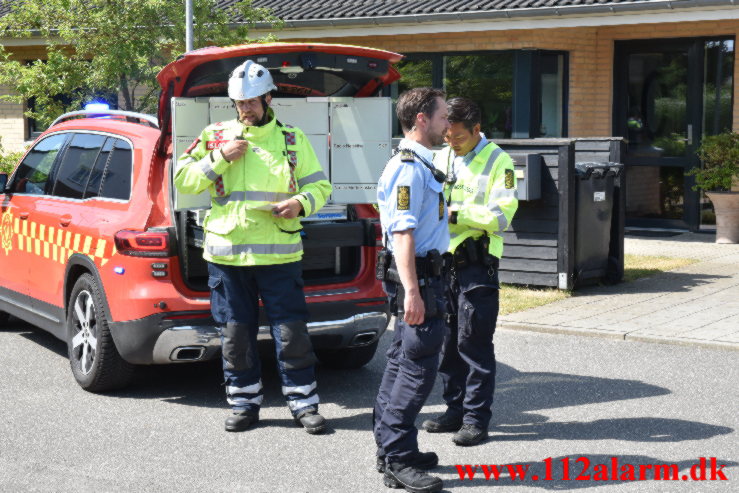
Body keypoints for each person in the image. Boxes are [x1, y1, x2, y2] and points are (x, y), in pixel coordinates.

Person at [174, 60, 332, 434]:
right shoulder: (214, 136)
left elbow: (320, 187)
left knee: (292, 333)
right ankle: (244, 404)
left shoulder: (291, 138)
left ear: (268, 98)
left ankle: (304, 403)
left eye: (252, 102)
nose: (245, 110)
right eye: (239, 103)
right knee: (236, 334)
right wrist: (218, 158)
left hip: (280, 254)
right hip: (227, 257)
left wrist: (299, 203)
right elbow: (183, 180)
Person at [422, 97, 518, 446]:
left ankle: (477, 419)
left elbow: (502, 216)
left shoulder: (499, 161)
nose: (450, 141)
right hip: (441, 263)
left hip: (477, 265)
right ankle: (455, 410)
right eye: (446, 134)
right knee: (447, 342)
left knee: (473, 343)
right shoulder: (440, 155)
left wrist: (457, 215)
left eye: (458, 136)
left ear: (476, 129)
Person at [373, 87, 450, 493]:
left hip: (424, 276)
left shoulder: (420, 164)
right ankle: (397, 458)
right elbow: (402, 234)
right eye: (442, 117)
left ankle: (392, 447)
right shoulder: (408, 168)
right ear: (421, 118)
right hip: (418, 279)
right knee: (417, 370)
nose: (447, 124)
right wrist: (413, 292)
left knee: (404, 361)